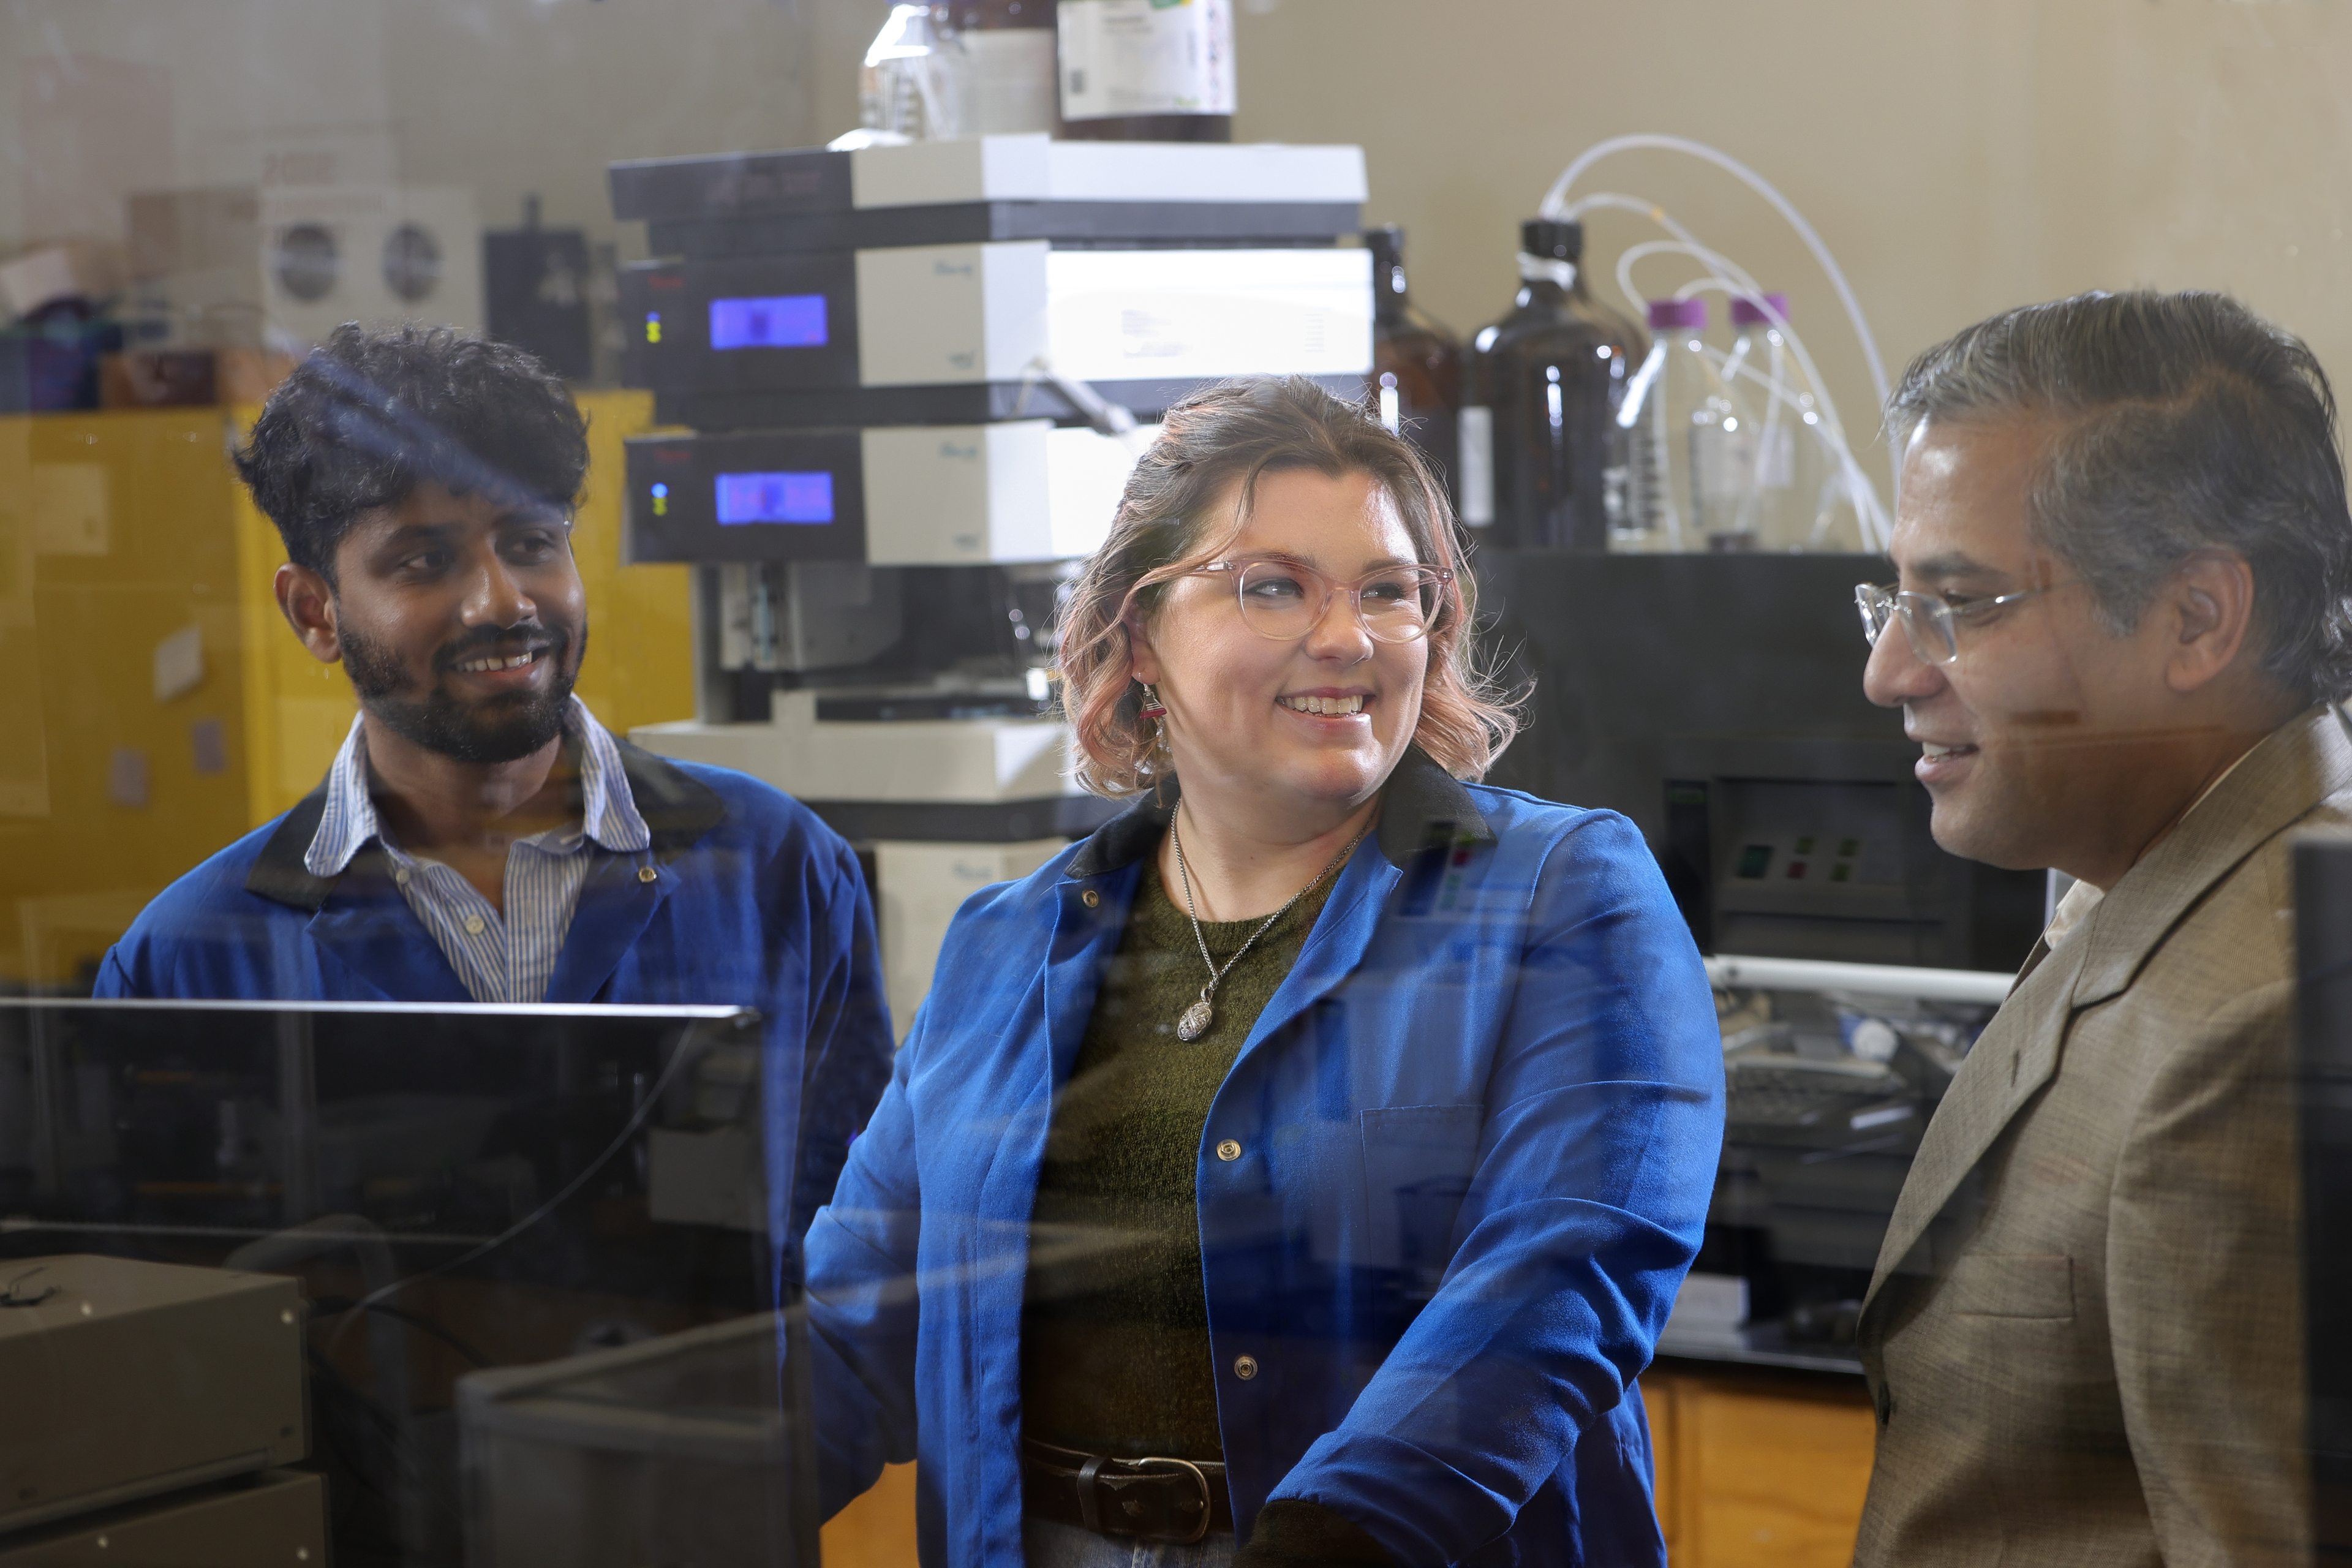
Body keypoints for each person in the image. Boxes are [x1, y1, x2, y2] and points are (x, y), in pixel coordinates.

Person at [802, 376, 1724, 1568]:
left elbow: (1570, 1261)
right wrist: (591, 1482)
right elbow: (854, 1324)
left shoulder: (1559, 890)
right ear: (1139, 638)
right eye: (1273, 584)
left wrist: (1337, 1534)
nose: (1345, 637)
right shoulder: (1008, 944)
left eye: (1389, 592)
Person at [95, 323, 894, 1243]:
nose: (503, 601)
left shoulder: (774, 869)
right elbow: (165, 1329)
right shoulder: (193, 956)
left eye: (530, 541)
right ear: (315, 611)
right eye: (425, 561)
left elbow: (870, 1265)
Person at [1852, 290, 2340, 1566]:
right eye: (1892, 601)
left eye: (1959, 602)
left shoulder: (2275, 1011)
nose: (1892, 672)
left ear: (2196, 618)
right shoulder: (2160, 878)